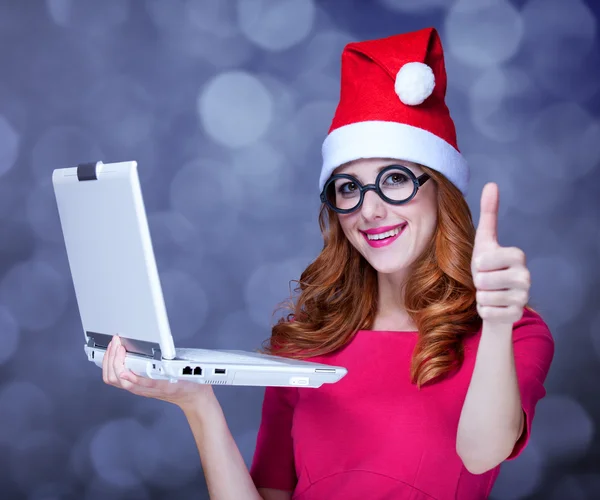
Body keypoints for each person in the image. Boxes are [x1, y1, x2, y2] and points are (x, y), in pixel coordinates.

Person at [102, 27, 554, 500]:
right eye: (349, 188)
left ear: (442, 190)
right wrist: (197, 403)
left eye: (395, 178)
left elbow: (483, 452)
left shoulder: (513, 332)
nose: (370, 209)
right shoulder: (306, 339)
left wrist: (497, 324)